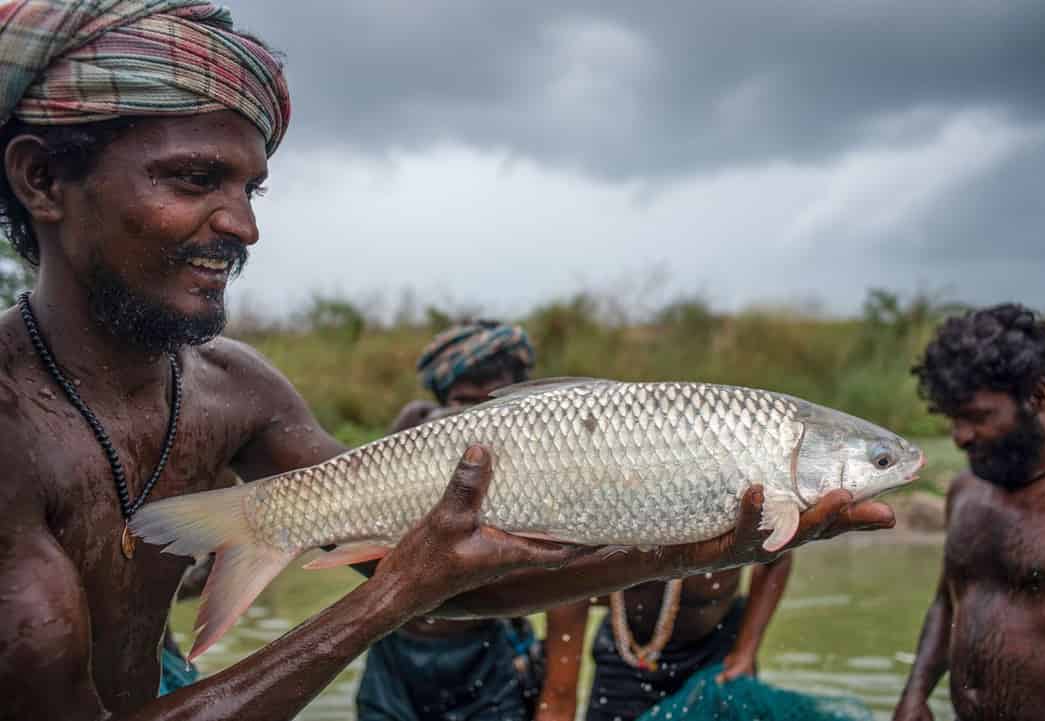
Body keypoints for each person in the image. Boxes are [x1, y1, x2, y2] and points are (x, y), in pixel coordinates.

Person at [0, 2, 896, 719]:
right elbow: (407, 588)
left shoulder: (238, 390)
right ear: (41, 179)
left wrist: (696, 548)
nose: (244, 225)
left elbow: (456, 580)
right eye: (196, 180)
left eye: (251, 187)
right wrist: (386, 602)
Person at [356, 320, 556, 721]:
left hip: (488, 641)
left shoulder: (537, 445)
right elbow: (367, 502)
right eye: (464, 402)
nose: (477, 416)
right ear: (442, 398)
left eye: (490, 402)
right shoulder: (416, 427)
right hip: (400, 640)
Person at [894, 303, 1045, 721]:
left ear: (1038, 397)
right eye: (954, 419)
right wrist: (915, 694)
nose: (960, 437)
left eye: (978, 417)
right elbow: (947, 602)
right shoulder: (965, 491)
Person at [538, 555, 792, 721]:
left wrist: (745, 652)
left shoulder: (718, 507)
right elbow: (559, 696)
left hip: (717, 653)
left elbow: (778, 555)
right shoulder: (580, 555)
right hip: (627, 652)